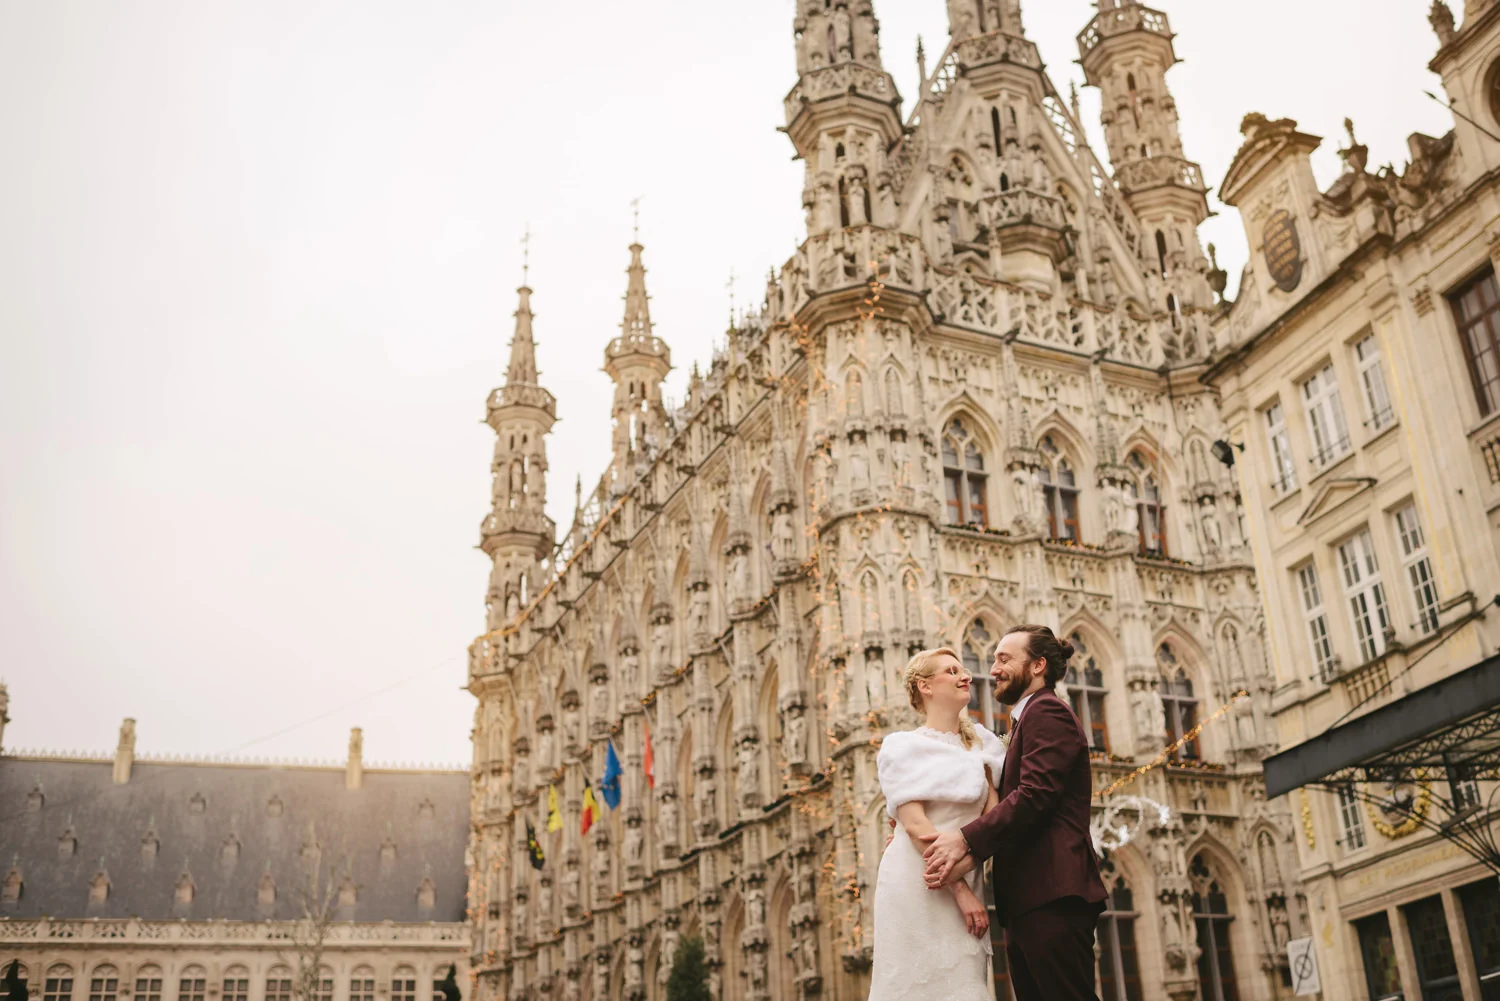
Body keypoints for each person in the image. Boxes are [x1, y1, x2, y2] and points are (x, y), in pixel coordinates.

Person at [921, 625, 1107, 1001]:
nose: (993, 669)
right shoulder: (1027, 719)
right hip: (1032, 895)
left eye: (1004, 659)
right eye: (994, 659)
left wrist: (965, 838)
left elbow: (1034, 796)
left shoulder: (1048, 712)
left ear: (1038, 666)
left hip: (1052, 892)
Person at [869, 648, 1006, 1001]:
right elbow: (916, 825)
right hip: (918, 877)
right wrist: (960, 890)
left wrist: (969, 864)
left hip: (962, 869)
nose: (966, 676)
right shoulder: (902, 746)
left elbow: (993, 820)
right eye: (951, 670)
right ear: (925, 686)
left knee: (964, 982)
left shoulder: (982, 743)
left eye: (963, 669)